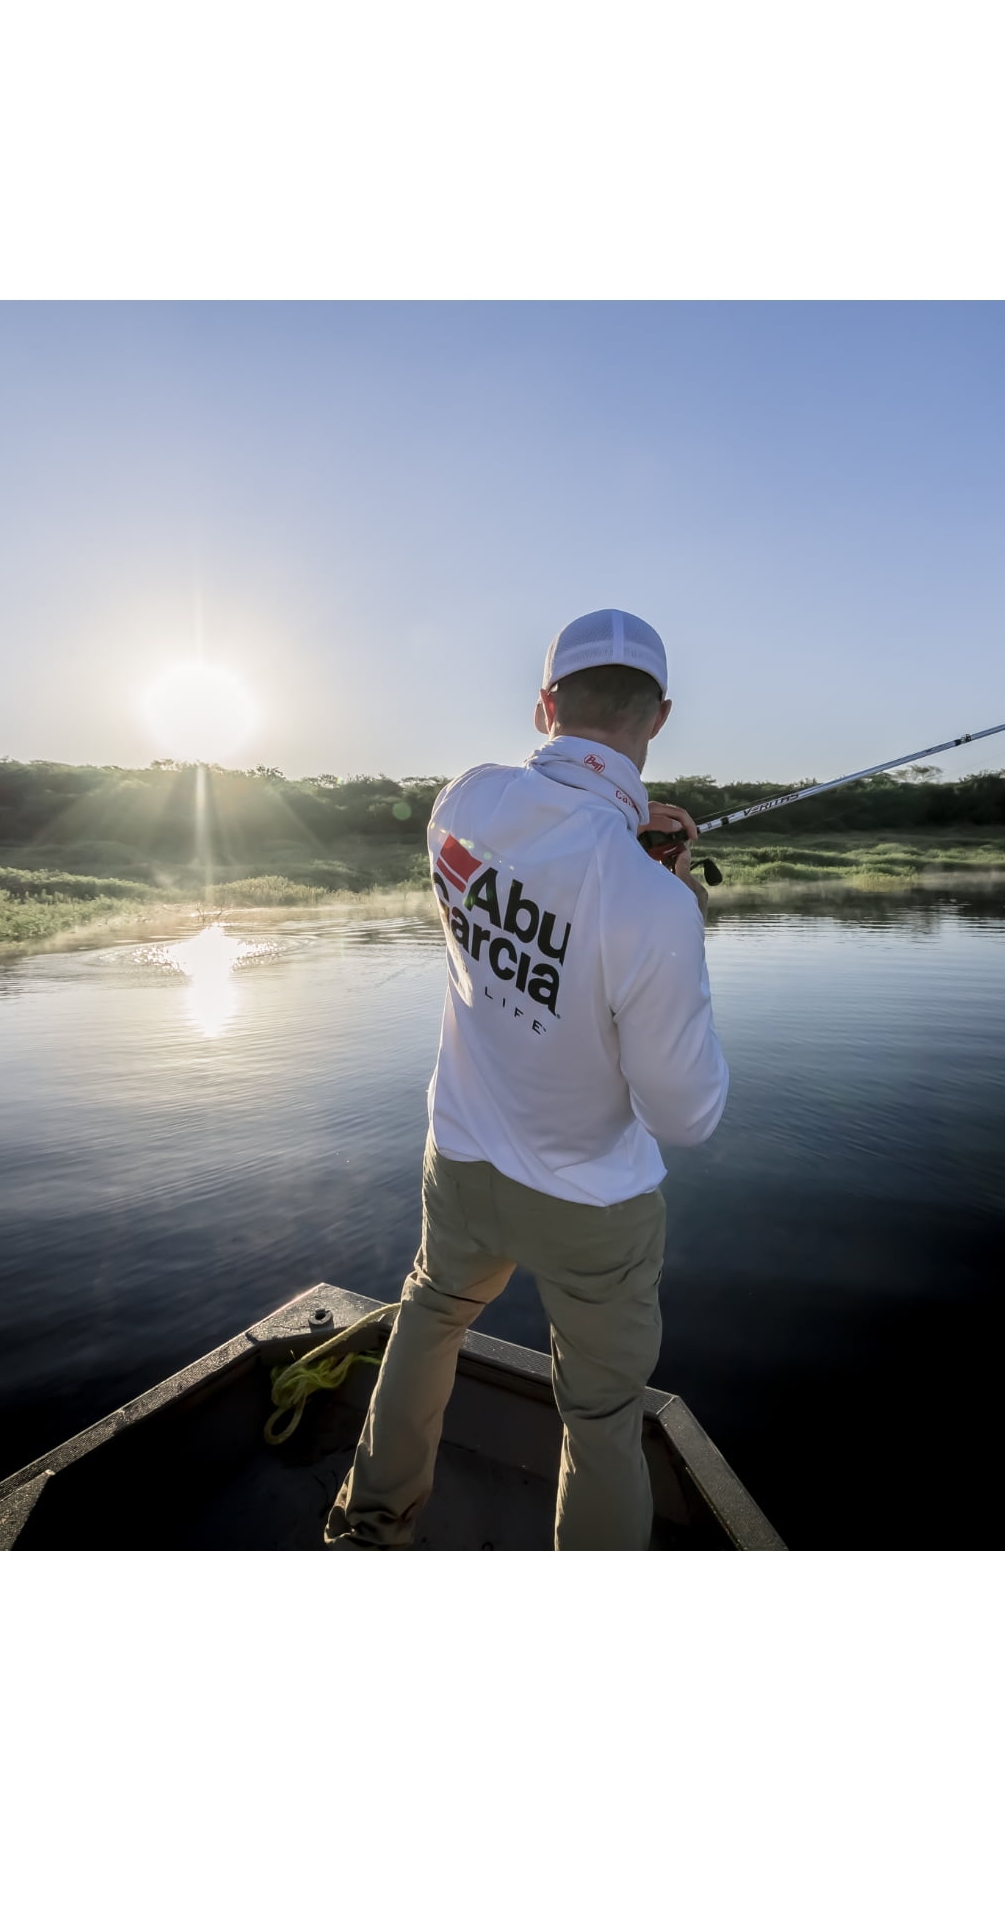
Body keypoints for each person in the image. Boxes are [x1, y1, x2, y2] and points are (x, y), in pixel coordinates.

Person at [325, 608, 729, 1550]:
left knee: (430, 1314)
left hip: (461, 1162)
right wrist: (673, 898)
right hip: (592, 1203)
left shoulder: (462, 803)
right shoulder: (654, 903)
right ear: (660, 718)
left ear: (546, 704)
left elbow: (540, 846)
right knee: (600, 1415)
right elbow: (686, 1114)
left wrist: (626, 830)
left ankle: (369, 1527)